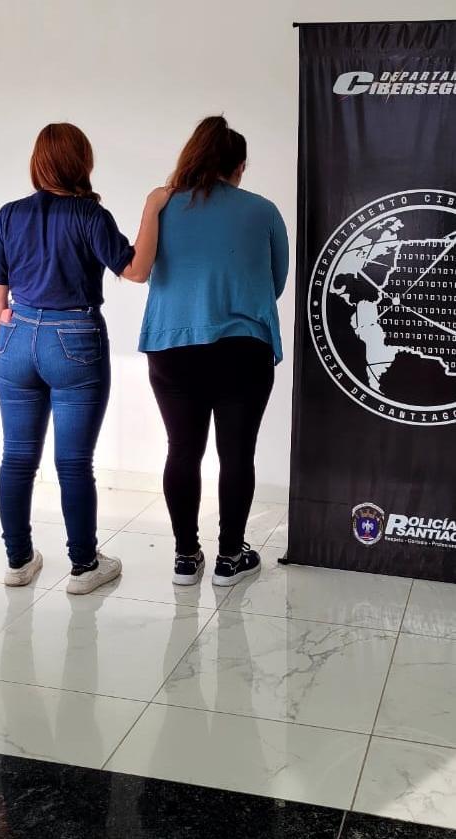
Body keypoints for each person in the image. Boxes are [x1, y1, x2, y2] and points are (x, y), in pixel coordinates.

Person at [0, 123, 170, 594]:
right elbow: (136, 270)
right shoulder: (89, 215)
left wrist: (7, 331)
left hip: (14, 341)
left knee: (16, 457)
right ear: (82, 163)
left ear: (38, 163)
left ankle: (17, 562)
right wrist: (153, 206)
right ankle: (84, 566)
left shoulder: (9, 214)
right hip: (73, 339)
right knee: (73, 463)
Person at [139, 115, 289, 587]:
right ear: (239, 167)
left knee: (182, 450)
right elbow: (275, 282)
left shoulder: (163, 205)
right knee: (237, 454)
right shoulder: (263, 210)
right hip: (243, 348)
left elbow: (142, 265)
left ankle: (186, 558)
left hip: (173, 347)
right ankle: (229, 558)